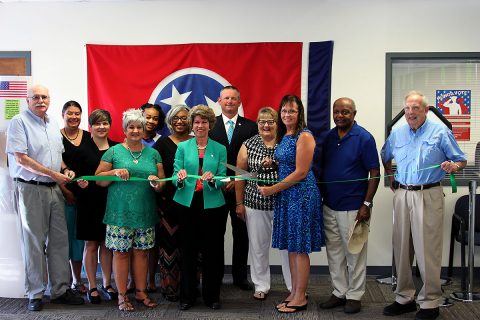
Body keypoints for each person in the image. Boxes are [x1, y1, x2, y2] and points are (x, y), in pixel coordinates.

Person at [381, 91, 466, 320]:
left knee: (427, 250)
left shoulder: (440, 132)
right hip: (402, 194)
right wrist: (390, 176)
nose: (410, 113)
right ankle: (404, 298)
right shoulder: (397, 133)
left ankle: (430, 302)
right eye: (407, 108)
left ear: (426, 110)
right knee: (401, 248)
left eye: (416, 108)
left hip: (428, 194)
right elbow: (384, 154)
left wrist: (453, 167)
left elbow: (460, 159)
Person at [5, 84, 85, 311]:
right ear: (27, 99)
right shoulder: (19, 123)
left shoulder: (51, 125)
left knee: (60, 242)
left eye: (45, 97)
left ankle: (59, 289)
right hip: (30, 189)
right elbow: (21, 159)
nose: (41, 100)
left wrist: (65, 171)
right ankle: (35, 293)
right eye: (36, 97)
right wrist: (54, 174)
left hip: (54, 189)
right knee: (34, 243)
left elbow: (57, 157)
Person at [258, 95, 324, 314]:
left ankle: (300, 297)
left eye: (292, 111)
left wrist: (272, 189)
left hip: (301, 195)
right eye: (284, 111)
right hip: (288, 196)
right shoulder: (286, 134)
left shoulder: (304, 135)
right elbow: (289, 161)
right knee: (291, 248)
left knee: (299, 248)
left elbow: (301, 172)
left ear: (300, 113)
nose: (287, 115)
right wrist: (274, 161)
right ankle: (295, 292)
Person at [95, 108, 166, 312]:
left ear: (144, 130)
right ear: (125, 130)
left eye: (139, 127)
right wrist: (114, 171)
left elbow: (162, 184)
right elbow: (99, 180)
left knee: (142, 253)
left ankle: (141, 291)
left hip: (145, 211)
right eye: (131, 127)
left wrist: (156, 183)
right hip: (120, 213)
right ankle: (122, 295)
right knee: (121, 254)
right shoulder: (114, 151)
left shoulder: (154, 153)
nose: (135, 131)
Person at [319, 97, 380, 314]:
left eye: (345, 112)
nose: (340, 116)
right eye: (336, 111)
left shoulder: (364, 138)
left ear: (354, 113)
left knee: (354, 253)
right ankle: (339, 292)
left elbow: (375, 172)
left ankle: (355, 296)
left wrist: (366, 203)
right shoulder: (327, 137)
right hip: (330, 206)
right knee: (335, 253)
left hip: (355, 207)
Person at [173, 105, 228, 310]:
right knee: (187, 252)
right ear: (192, 125)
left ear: (210, 124)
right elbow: (175, 176)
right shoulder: (182, 147)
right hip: (187, 204)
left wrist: (214, 180)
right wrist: (179, 179)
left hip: (212, 205)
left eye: (204, 122)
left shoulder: (220, 148)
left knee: (212, 252)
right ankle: (187, 296)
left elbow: (222, 177)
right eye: (196, 122)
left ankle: (212, 297)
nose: (200, 125)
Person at [235, 107, 292, 301]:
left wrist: (277, 165)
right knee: (258, 247)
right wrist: (239, 203)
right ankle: (261, 285)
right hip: (255, 203)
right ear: (257, 124)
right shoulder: (248, 144)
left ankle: (294, 287)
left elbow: (297, 169)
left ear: (278, 124)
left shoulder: (286, 143)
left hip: (283, 203)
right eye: (262, 122)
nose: (266, 125)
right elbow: (240, 176)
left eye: (270, 122)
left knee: (287, 247)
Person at [209, 85, 257, 290]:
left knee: (241, 235)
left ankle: (240, 277)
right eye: (226, 98)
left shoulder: (251, 127)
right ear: (219, 101)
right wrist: (223, 180)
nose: (229, 101)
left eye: (233, 98)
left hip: (242, 190)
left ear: (239, 102)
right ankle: (215, 275)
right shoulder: (209, 126)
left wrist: (236, 181)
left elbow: (253, 160)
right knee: (215, 235)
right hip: (216, 190)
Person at [75, 109, 118, 304]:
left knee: (108, 244)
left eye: (105, 123)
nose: (102, 127)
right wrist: (79, 183)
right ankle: (92, 285)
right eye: (98, 123)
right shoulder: (81, 148)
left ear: (110, 125)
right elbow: (73, 176)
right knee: (91, 245)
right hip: (89, 201)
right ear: (91, 126)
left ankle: (107, 283)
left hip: (111, 201)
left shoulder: (117, 148)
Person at [152, 104, 192, 301]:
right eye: (176, 118)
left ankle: (191, 286)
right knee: (169, 247)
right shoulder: (162, 144)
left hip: (193, 203)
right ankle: (170, 288)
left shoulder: (196, 143)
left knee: (192, 245)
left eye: (184, 118)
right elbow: (158, 175)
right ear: (170, 121)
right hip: (168, 204)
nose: (180, 121)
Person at [59, 101, 87, 295]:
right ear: (63, 115)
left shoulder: (87, 136)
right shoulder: (55, 136)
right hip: (63, 194)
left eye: (77, 113)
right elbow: (53, 164)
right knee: (63, 240)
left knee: (79, 240)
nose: (74, 117)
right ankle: (64, 280)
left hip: (84, 196)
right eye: (70, 113)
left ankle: (78, 279)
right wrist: (65, 191)